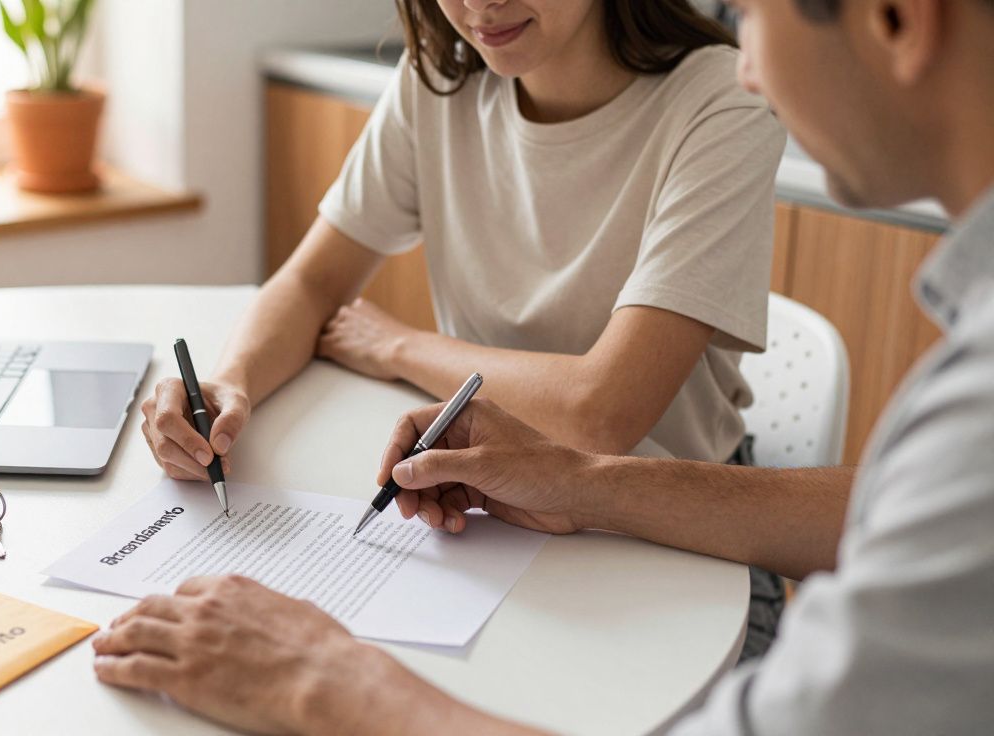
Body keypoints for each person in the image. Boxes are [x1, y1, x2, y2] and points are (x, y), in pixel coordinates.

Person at [93, 0, 994, 733]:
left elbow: (604, 409)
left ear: (896, 19)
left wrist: (322, 680)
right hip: (520, 519)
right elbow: (310, 283)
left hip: (676, 574)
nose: (750, 62)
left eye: (756, 12)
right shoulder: (442, 80)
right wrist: (232, 384)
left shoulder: (713, 101)